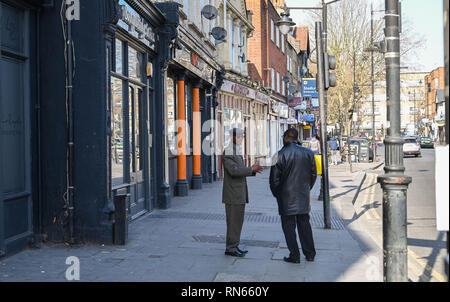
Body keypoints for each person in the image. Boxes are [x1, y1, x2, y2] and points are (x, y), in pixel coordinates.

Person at [269, 128, 317, 264]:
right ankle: (310, 254)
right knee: (304, 225)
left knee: (288, 227)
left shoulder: (279, 155)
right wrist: (307, 188)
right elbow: (313, 174)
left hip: (286, 197)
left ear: (285, 138)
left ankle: (294, 255)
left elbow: (274, 180)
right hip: (302, 195)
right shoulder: (308, 153)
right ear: (296, 138)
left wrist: (278, 194)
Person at [222, 128, 264, 257]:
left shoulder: (236, 150)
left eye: (243, 137)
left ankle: (235, 245)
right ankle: (230, 248)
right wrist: (251, 169)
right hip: (233, 194)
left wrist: (252, 170)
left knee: (238, 221)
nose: (242, 139)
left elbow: (239, 169)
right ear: (233, 137)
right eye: (240, 137)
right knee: (234, 221)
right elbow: (234, 171)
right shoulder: (229, 151)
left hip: (238, 192)